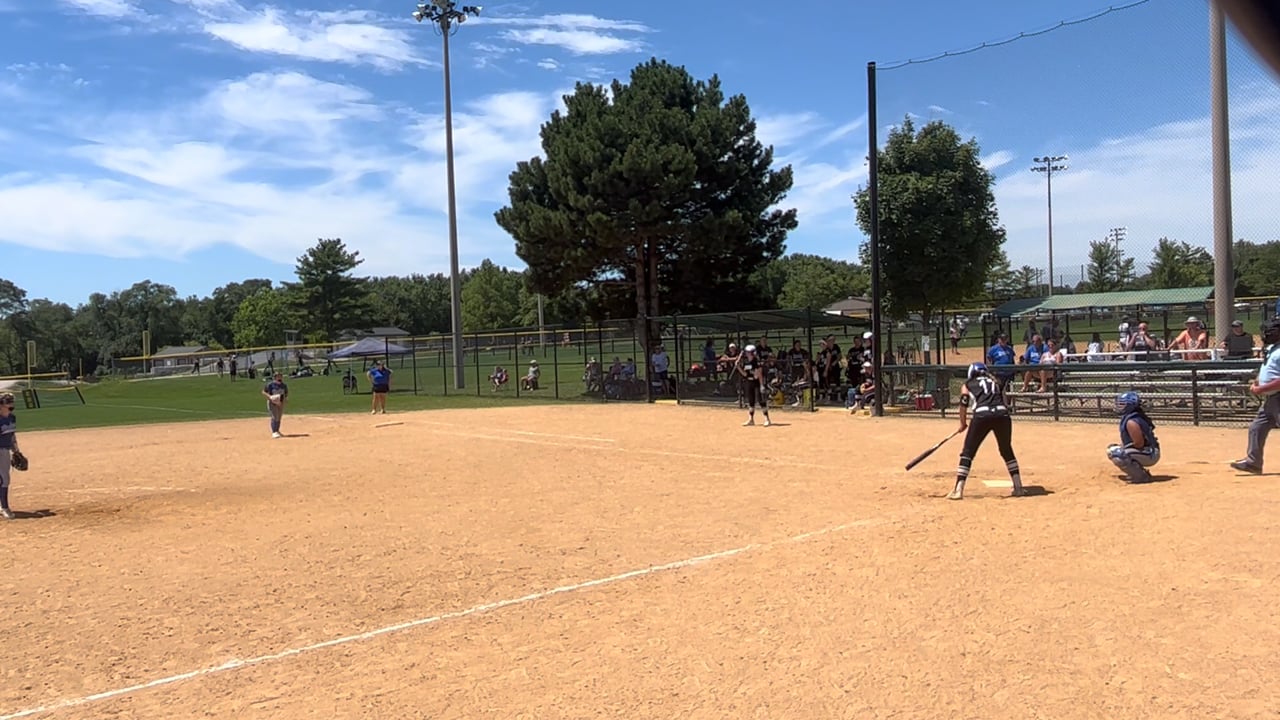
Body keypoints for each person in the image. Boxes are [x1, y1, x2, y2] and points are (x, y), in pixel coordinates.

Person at [949, 362, 1026, 500]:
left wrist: (962, 423)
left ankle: (958, 489)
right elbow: (1004, 401)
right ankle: (1018, 486)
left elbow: (963, 403)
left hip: (981, 415)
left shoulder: (968, 384)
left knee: (968, 452)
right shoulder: (996, 381)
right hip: (1002, 415)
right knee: (1006, 450)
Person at [1231, 318, 1280, 474]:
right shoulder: (1272, 349)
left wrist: (1261, 388)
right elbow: (1268, 369)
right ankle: (1253, 463)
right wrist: (1258, 381)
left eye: (1270, 331)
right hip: (1271, 399)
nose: (1265, 334)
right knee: (1257, 427)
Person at [1107, 391, 1161, 483]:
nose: (1119, 406)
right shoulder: (1132, 416)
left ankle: (1141, 476)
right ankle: (1139, 471)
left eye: (1122, 404)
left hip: (1150, 454)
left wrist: (1123, 448)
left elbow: (1139, 444)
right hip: (1148, 451)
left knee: (1117, 454)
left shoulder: (1131, 422)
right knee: (1113, 448)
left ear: (1130, 406)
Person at [735, 344, 771, 427]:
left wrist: (762, 385)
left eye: (748, 352)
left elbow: (759, 374)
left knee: (761, 400)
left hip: (757, 382)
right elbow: (745, 374)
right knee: (751, 401)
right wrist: (738, 367)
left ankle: (767, 419)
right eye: (747, 352)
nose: (746, 354)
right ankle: (751, 419)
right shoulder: (746, 362)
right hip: (749, 382)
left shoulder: (756, 362)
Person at [0, 392, 21, 519]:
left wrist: (16, 451)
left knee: (3, 479)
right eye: (8, 402)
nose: (11, 404)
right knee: (4, 479)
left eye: (12, 401)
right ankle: (5, 508)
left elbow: (12, 436)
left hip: (5, 451)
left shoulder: (12, 418)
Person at [262, 372, 289, 439]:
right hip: (272, 403)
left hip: (280, 403)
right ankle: (274, 432)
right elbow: (263, 392)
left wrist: (285, 399)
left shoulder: (283, 385)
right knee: (275, 417)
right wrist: (270, 397)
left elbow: (285, 393)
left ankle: (277, 430)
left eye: (280, 376)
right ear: (275, 377)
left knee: (279, 417)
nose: (280, 377)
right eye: (278, 376)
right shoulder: (270, 385)